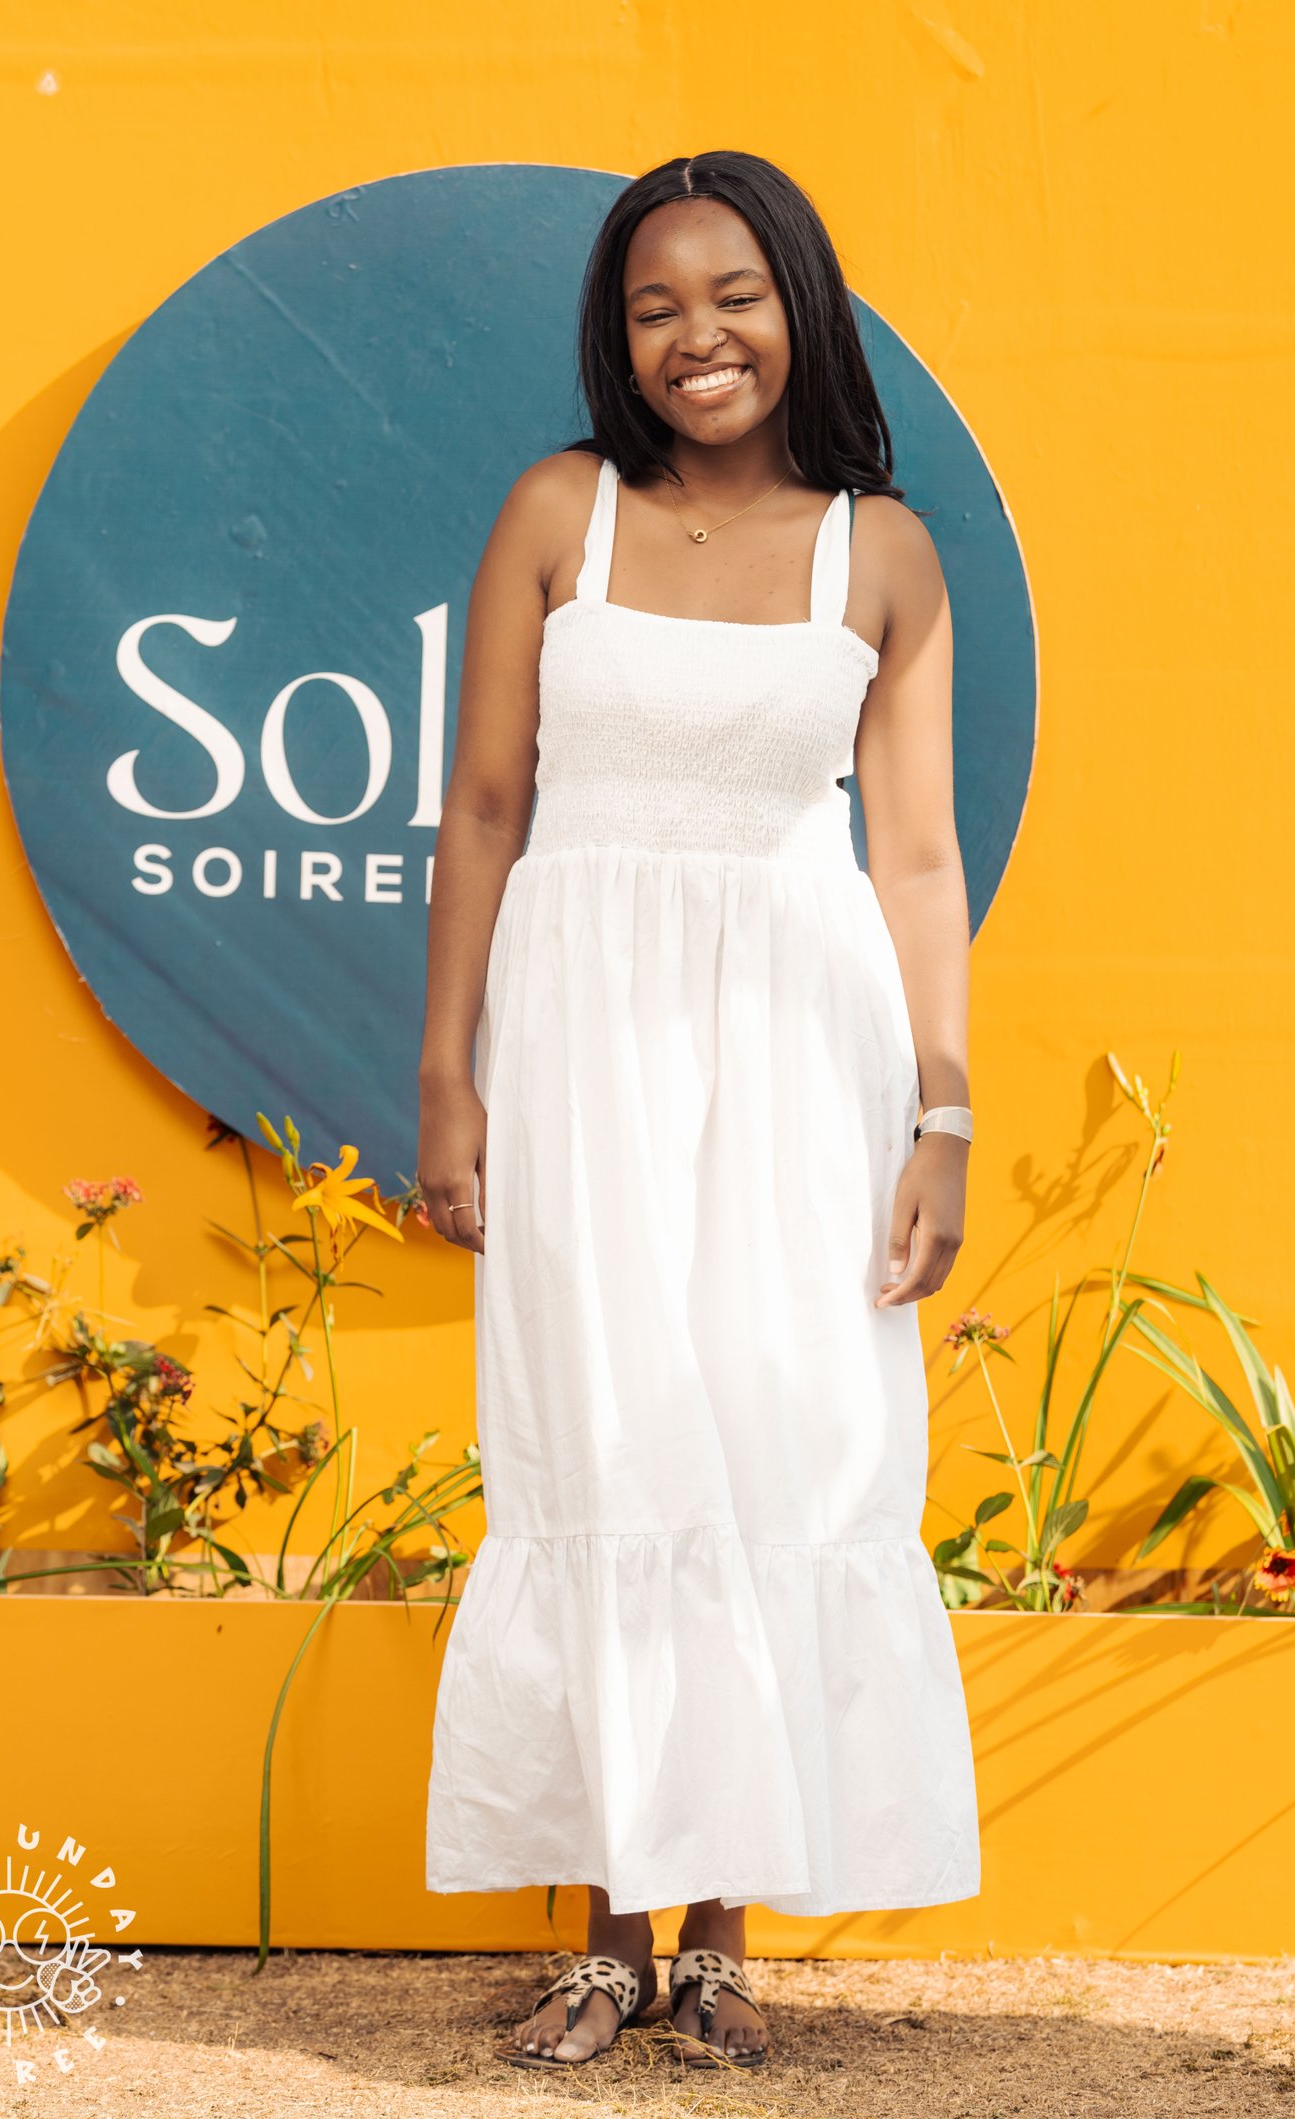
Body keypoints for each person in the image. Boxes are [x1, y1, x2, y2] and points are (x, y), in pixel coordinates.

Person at [416, 149, 980, 2075]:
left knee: (771, 1447)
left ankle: (722, 1942)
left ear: (798, 304)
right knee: (600, 1445)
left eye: (733, 296)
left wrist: (944, 1114)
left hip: (803, 1052)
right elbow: (485, 807)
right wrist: (447, 1074)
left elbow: (917, 860)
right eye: (656, 307)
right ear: (618, 335)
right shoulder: (555, 512)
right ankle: (606, 1935)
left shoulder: (881, 554)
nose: (698, 338)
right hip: (583, 1044)